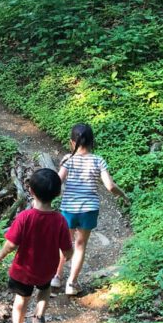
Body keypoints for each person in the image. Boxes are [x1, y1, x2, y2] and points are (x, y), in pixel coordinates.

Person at [0, 168, 73, 323]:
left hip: (23, 270)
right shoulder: (60, 220)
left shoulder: (25, 217)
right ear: (58, 193)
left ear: (30, 190)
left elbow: (12, 244)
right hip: (46, 269)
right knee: (44, 290)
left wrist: (0, 255)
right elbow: (67, 249)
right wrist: (69, 255)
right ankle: (38, 316)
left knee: (21, 300)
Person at [52, 123, 130, 296]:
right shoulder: (98, 160)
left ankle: (56, 277)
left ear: (72, 142)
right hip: (89, 210)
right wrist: (123, 195)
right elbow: (109, 186)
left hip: (68, 209)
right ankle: (71, 284)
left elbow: (58, 181)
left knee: (65, 243)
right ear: (92, 141)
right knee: (80, 245)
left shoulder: (68, 159)